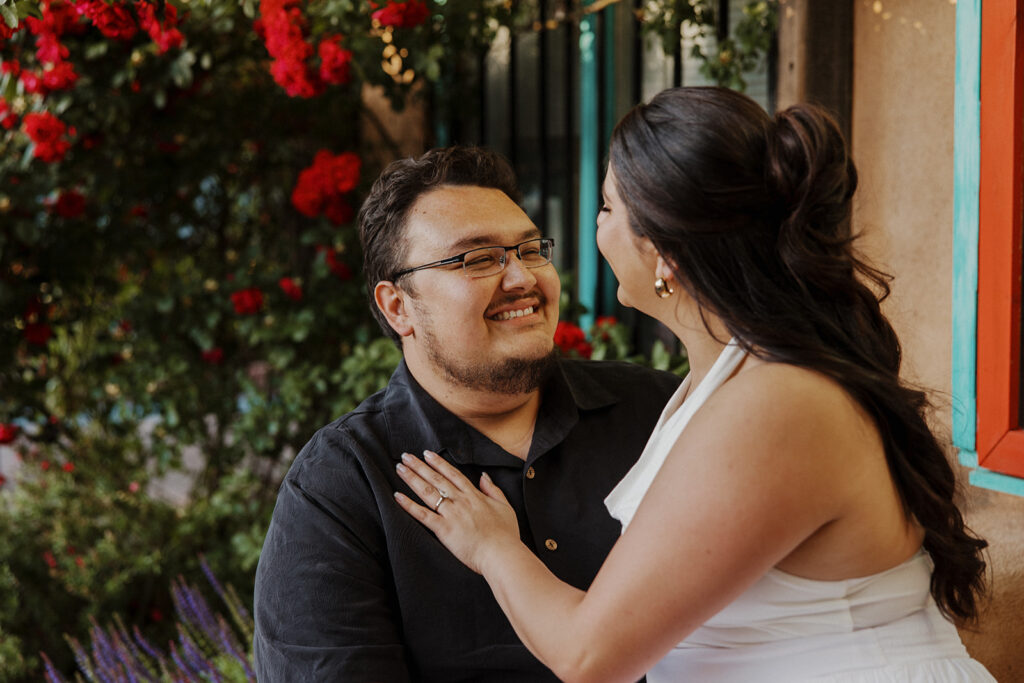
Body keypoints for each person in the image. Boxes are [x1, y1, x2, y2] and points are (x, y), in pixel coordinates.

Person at [394, 87, 995, 682]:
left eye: (606, 208)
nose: (594, 230)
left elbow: (587, 656)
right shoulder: (725, 383)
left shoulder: (775, 401)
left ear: (661, 252)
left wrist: (491, 546)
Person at [252, 146, 681, 681]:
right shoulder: (342, 486)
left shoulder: (661, 414)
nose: (522, 277)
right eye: (477, 259)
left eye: (529, 249)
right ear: (398, 306)